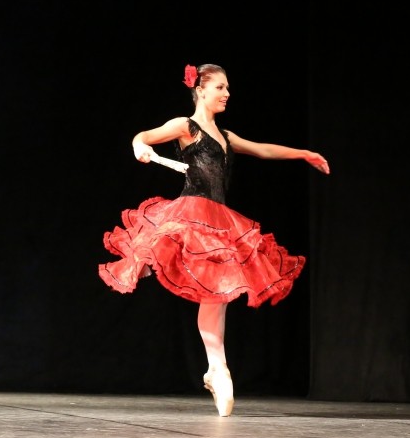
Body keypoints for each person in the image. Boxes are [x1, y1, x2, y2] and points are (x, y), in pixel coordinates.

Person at [98, 63, 330, 417]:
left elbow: (263, 150)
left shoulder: (227, 136)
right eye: (220, 87)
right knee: (167, 253)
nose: (227, 94)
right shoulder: (185, 126)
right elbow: (143, 136)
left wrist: (303, 154)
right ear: (201, 90)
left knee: (217, 293)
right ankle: (213, 362)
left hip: (221, 221)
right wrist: (139, 147)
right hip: (191, 211)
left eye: (227, 88)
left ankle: (216, 369)